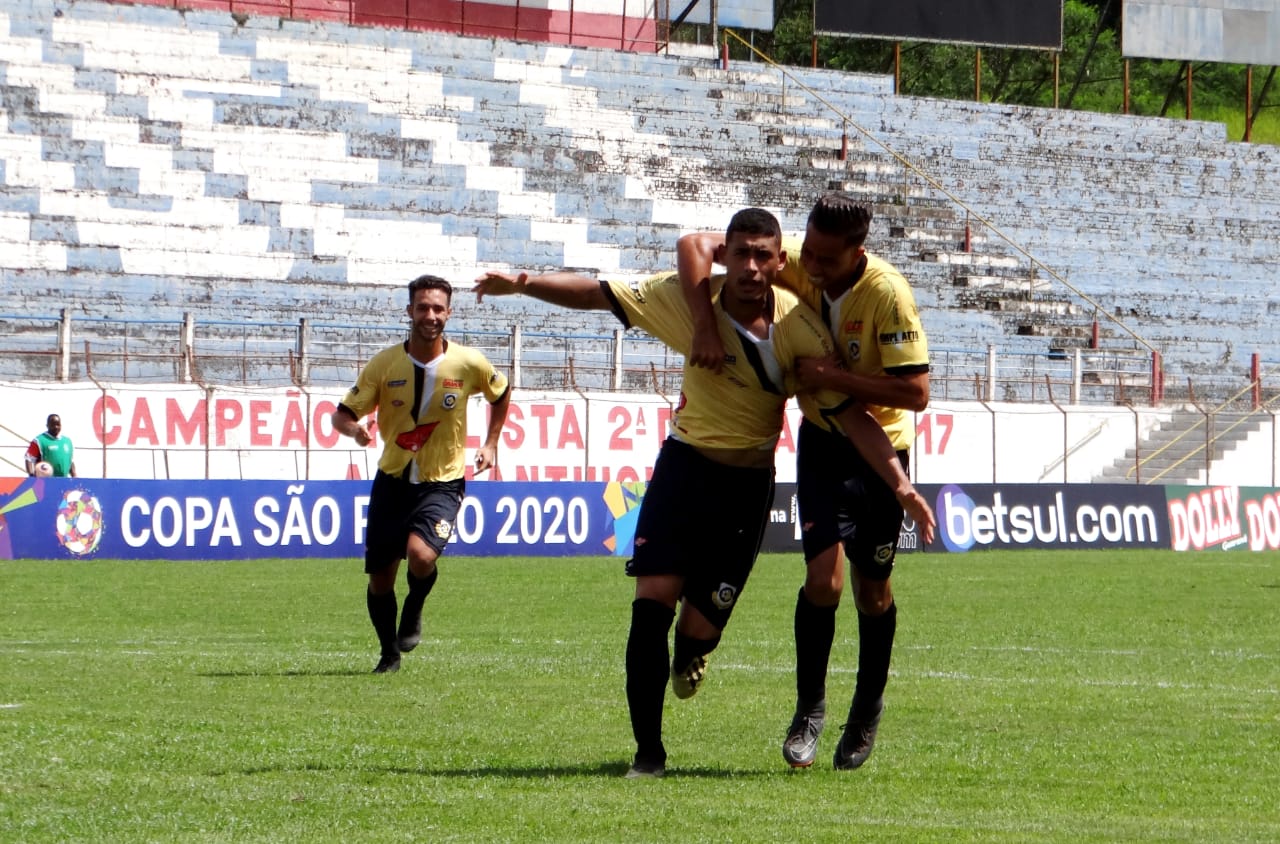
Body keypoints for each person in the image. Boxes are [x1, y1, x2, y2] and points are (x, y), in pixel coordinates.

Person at [475, 207, 934, 779]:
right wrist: (522, 284)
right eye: (738, 253)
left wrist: (900, 484)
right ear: (727, 255)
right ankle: (649, 755)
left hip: (747, 490)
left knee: (698, 632)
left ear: (777, 263)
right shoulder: (686, 300)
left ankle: (704, 655)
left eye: (762, 256)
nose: (749, 267)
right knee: (651, 606)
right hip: (684, 471)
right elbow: (598, 293)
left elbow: (854, 411)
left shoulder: (800, 328)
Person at [678, 193, 930, 772]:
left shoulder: (888, 295)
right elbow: (695, 246)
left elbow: (917, 394)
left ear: (856, 252)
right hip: (821, 441)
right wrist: (703, 327)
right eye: (805, 250)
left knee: (874, 592)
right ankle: (809, 711)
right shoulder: (798, 254)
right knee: (824, 581)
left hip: (881, 447)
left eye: (822, 258)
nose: (805, 266)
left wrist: (836, 377)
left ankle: (866, 708)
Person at [331, 274, 511, 674]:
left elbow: (502, 393)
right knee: (380, 578)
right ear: (410, 311)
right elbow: (340, 415)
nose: (430, 315)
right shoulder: (384, 364)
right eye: (423, 307)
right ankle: (388, 653)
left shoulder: (469, 362)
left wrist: (491, 442)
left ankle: (414, 605)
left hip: (443, 481)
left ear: (449, 313)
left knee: (421, 554)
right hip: (392, 481)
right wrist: (355, 430)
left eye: (438, 308)